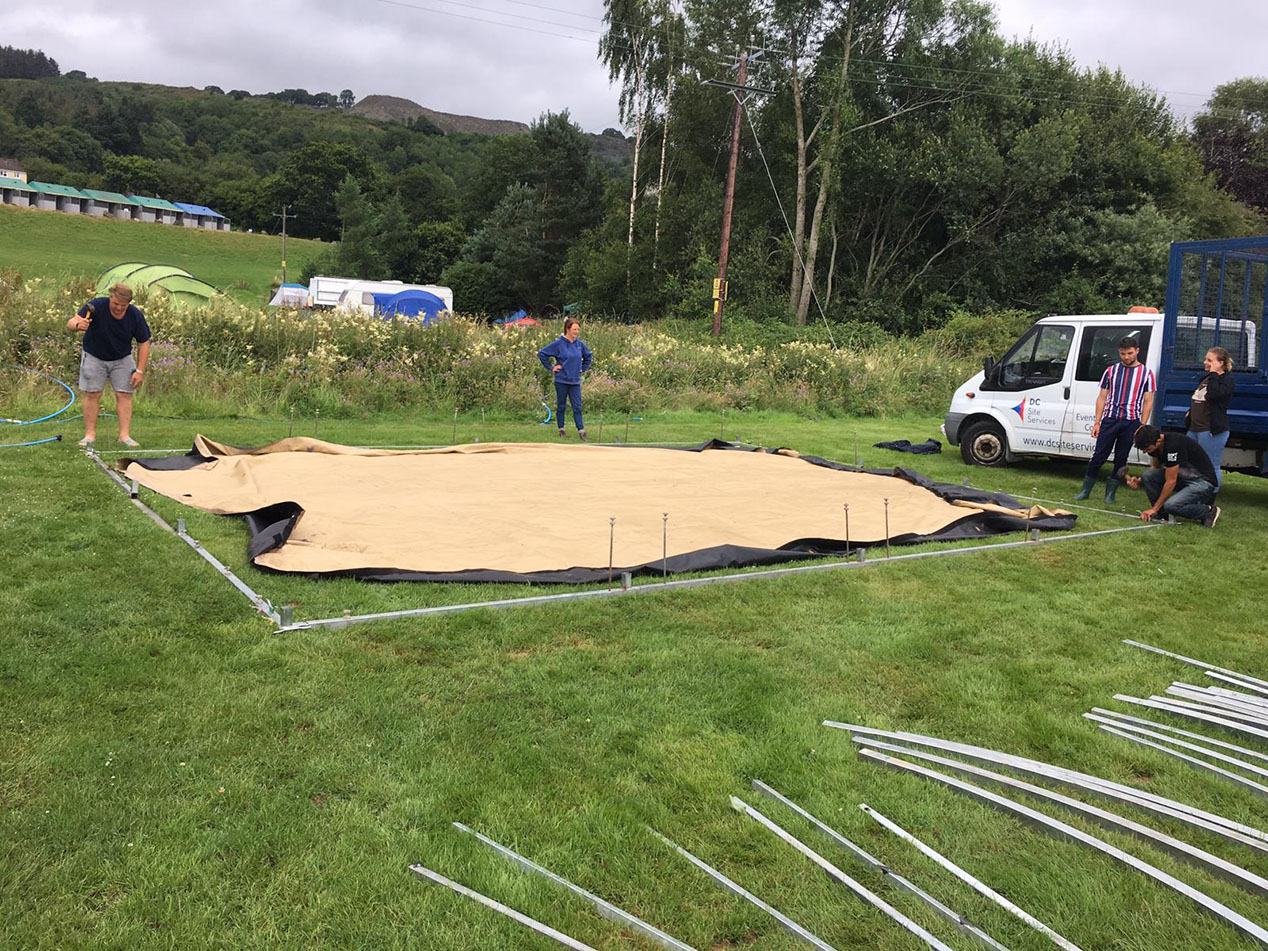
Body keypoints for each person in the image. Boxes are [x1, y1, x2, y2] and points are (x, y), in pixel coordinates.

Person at [66, 283, 151, 449]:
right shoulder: (96, 306)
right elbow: (71, 323)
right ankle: (89, 435)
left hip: (122, 358)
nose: (119, 308)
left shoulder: (135, 315)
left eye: (123, 305)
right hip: (94, 355)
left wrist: (139, 371)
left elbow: (144, 343)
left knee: (124, 394)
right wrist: (78, 325)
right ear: (110, 297)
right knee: (93, 394)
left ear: (129, 304)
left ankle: (124, 436)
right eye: (116, 304)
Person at [1074, 336, 1155, 503]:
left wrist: (1142, 424)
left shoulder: (1146, 373)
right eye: (1123, 354)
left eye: (1130, 353)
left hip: (1131, 421)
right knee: (1098, 456)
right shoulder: (1111, 371)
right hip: (1110, 419)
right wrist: (1097, 422)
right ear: (1119, 352)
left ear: (1137, 351)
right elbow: (1101, 397)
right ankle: (1085, 491)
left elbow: (1148, 401)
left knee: (1121, 458)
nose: (1126, 357)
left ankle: (1110, 494)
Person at [1118, 424, 1219, 527]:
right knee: (1147, 475)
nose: (1145, 452)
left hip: (1203, 481)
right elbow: (1155, 467)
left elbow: (1171, 481)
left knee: (1171, 505)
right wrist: (1139, 480)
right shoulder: (1154, 445)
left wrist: (1154, 508)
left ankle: (1208, 511)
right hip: (1183, 477)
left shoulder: (1173, 445)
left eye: (1147, 449)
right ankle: (1163, 514)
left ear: (1158, 441)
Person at [1186, 346, 1235, 491]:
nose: (1205, 362)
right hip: (1194, 428)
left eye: (1209, 360)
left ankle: (1211, 495)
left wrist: (1214, 373)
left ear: (1220, 363)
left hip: (1210, 430)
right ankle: (1193, 491)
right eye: (1205, 359)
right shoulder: (1206, 378)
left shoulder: (1226, 380)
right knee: (1190, 461)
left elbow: (1214, 395)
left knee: (1211, 464)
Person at [538, 317, 593, 440]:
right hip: (561, 380)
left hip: (575, 381)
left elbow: (588, 356)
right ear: (568, 329)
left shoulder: (579, 345)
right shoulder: (558, 343)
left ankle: (581, 431)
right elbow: (542, 354)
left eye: (578, 329)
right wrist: (551, 367)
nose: (577, 332)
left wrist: (582, 368)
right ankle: (561, 430)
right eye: (574, 329)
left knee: (577, 407)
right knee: (561, 405)